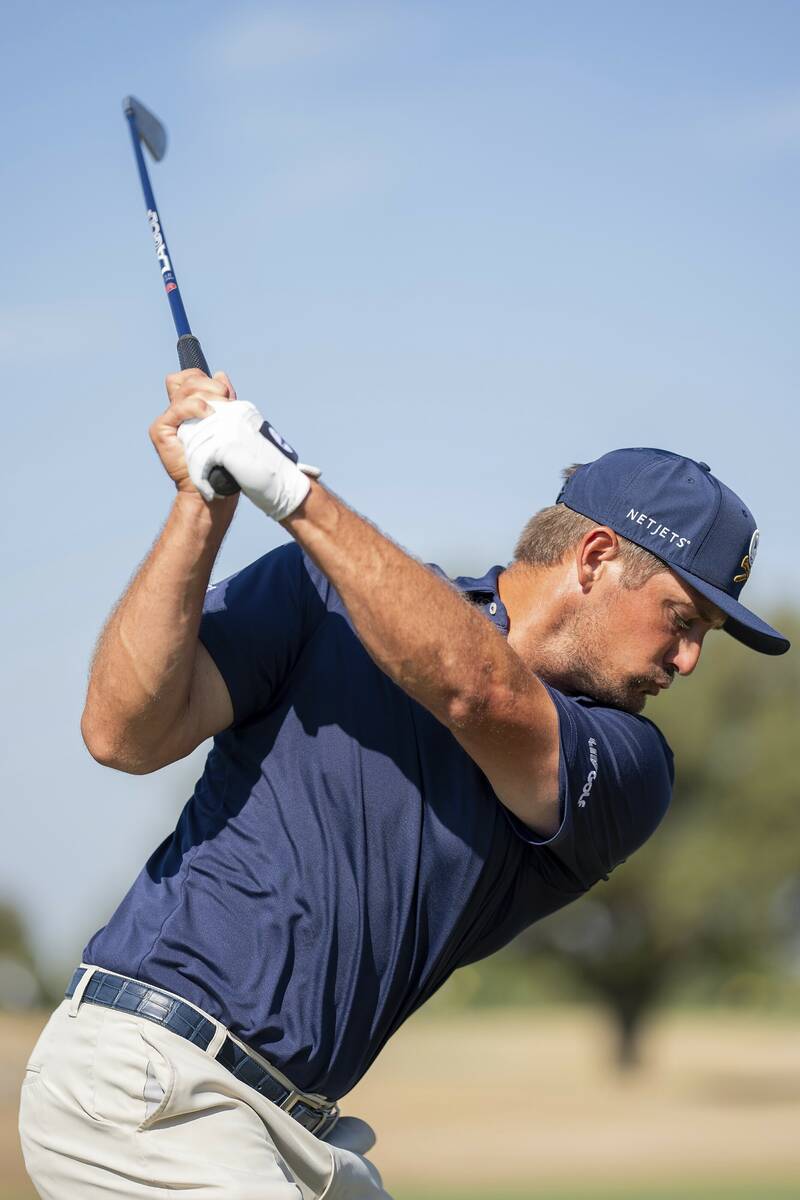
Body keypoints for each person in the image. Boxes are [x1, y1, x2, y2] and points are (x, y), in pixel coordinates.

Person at [19, 370, 790, 1200]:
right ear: (597, 557)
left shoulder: (630, 764)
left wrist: (289, 486)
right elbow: (121, 734)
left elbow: (478, 691)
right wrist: (201, 506)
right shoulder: (318, 597)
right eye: (683, 620)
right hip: (153, 1082)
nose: (689, 661)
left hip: (302, 1132)